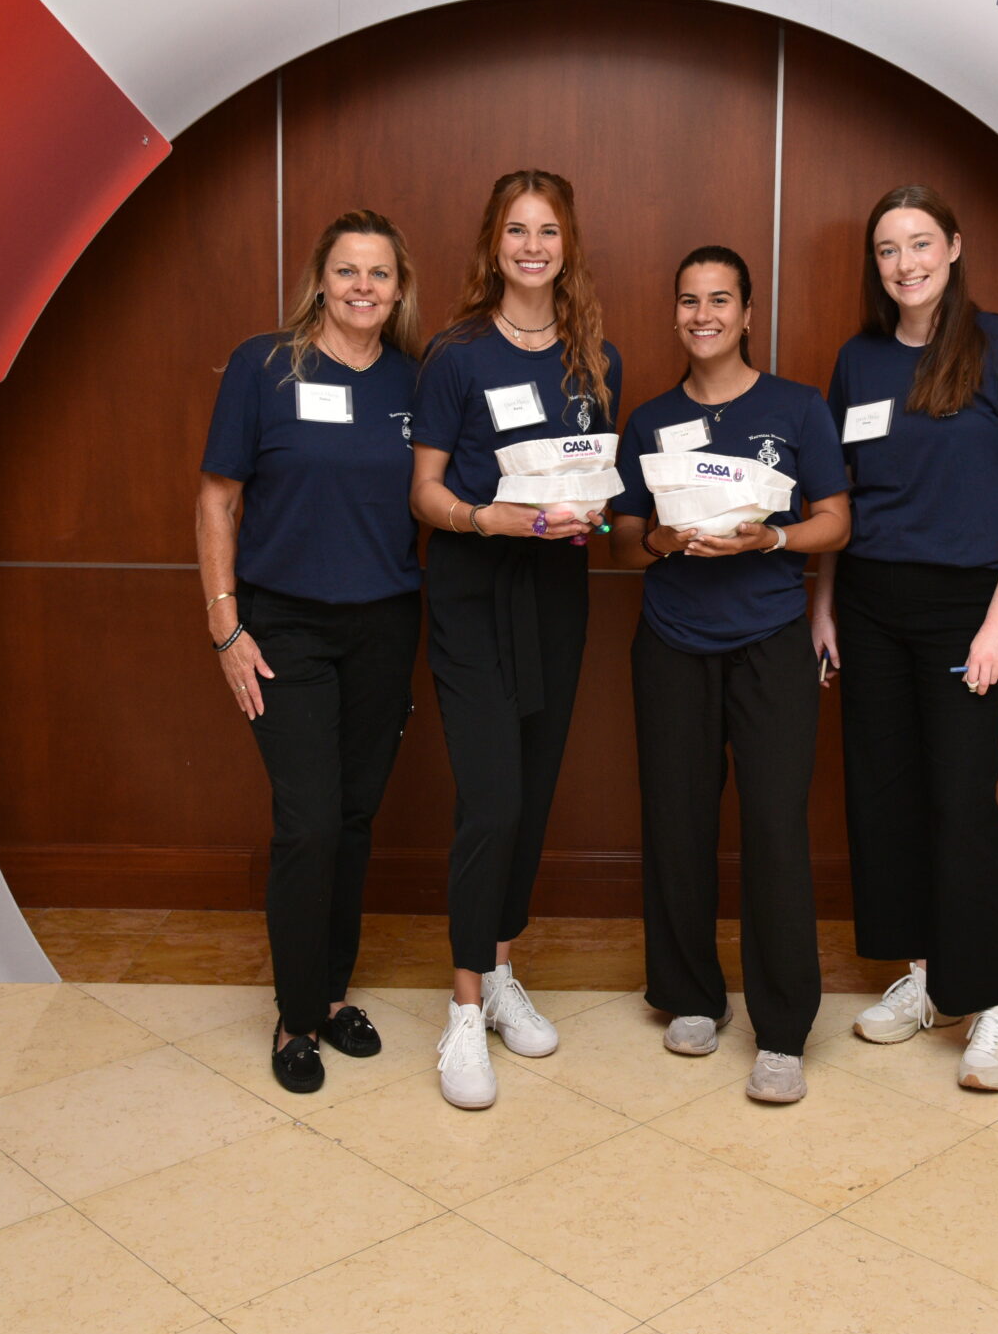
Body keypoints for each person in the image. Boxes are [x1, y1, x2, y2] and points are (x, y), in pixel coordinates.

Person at [812, 185, 998, 1093]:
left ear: (954, 248)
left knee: (963, 802)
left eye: (920, 243)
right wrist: (824, 605)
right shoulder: (859, 359)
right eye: (888, 249)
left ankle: (997, 1004)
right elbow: (841, 496)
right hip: (870, 604)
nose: (905, 263)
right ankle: (924, 978)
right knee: (884, 800)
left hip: (966, 607)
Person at [608, 247, 850, 1105]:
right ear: (675, 313)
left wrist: (770, 537)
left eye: (719, 299)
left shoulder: (798, 406)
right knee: (677, 820)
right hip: (672, 640)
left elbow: (836, 520)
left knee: (775, 827)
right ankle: (689, 995)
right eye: (688, 300)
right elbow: (624, 538)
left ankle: (782, 1030)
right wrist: (663, 539)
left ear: (748, 313)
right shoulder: (649, 419)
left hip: (771, 640)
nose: (702, 314)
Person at [197, 210, 425, 1096]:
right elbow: (217, 498)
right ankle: (295, 1016)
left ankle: (330, 995)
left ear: (398, 289)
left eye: (379, 273)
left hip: (384, 625)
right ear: (320, 282)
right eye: (346, 271)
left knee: (356, 816)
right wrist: (226, 625)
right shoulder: (264, 365)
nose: (362, 287)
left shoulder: (413, 380)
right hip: (283, 626)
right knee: (309, 821)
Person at [409, 170, 622, 1109]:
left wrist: (593, 517)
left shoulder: (596, 358)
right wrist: (487, 518)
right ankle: (463, 1009)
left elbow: (597, 484)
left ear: (568, 246)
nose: (532, 247)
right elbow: (424, 493)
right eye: (516, 230)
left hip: (556, 595)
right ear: (492, 244)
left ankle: (499, 971)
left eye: (548, 231)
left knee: (531, 797)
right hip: (472, 591)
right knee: (491, 799)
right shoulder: (454, 355)